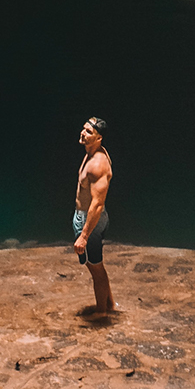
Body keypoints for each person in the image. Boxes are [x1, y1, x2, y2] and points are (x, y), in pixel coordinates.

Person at [72, 116, 115, 315]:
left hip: (91, 221)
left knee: (96, 269)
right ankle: (109, 304)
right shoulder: (90, 153)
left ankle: (101, 313)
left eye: (89, 132)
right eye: (84, 129)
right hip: (86, 218)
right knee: (97, 266)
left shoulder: (98, 164)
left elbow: (97, 205)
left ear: (99, 139)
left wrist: (84, 235)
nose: (83, 133)